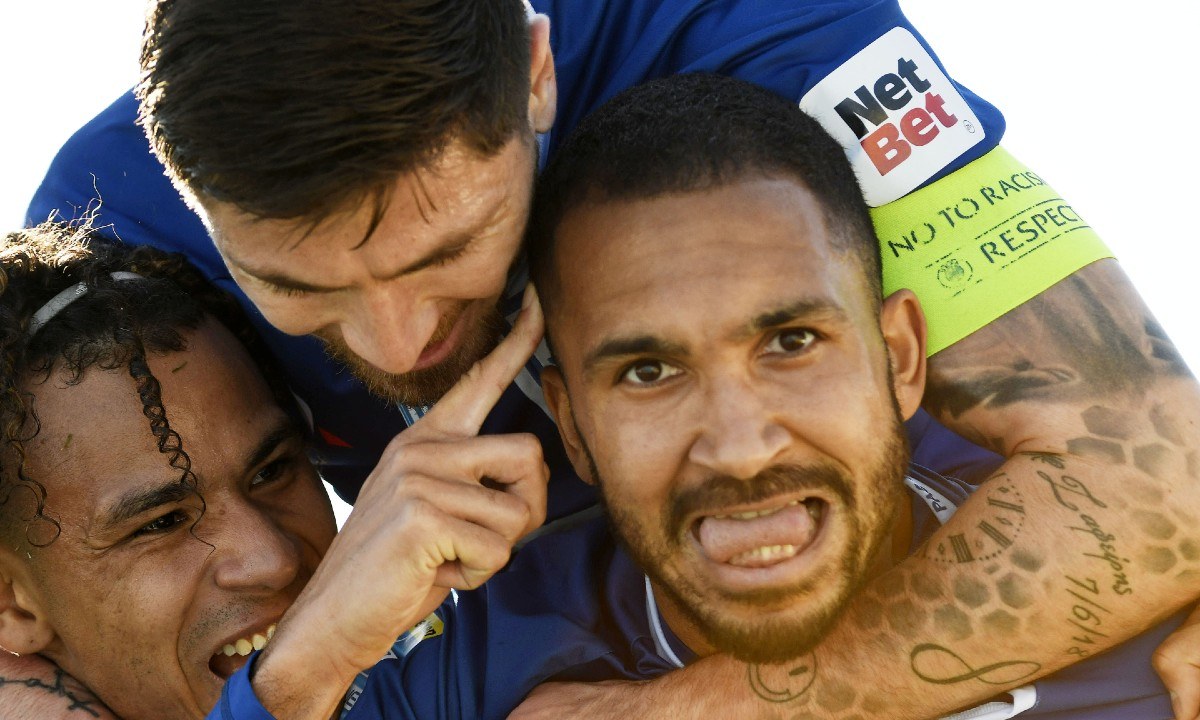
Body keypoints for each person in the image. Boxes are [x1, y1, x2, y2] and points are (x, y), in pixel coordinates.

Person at [25, 1, 1200, 717]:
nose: (400, 344)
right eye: (299, 289)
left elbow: (1161, 476)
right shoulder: (113, 224)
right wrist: (306, 664)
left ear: (537, 76)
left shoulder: (756, 22)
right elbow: (65, 628)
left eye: (449, 251)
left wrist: (700, 713)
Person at [0, 223, 545, 719]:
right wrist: (310, 668)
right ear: (12, 603)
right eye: (161, 522)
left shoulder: (469, 679)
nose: (273, 559)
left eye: (272, 471)